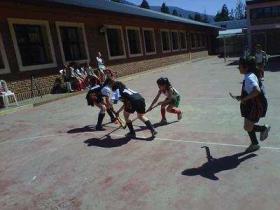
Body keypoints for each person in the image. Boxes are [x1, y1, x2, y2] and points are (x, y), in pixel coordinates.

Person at [235, 56, 270, 152]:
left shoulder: (249, 77)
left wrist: (245, 98)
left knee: (247, 126)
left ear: (246, 67)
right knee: (247, 126)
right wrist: (242, 97)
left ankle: (263, 129)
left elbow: (256, 91)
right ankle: (255, 144)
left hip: (255, 106)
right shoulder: (250, 74)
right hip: (251, 104)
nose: (238, 68)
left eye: (240, 66)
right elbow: (251, 91)